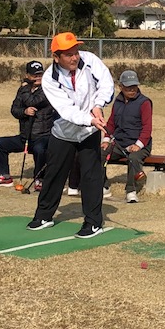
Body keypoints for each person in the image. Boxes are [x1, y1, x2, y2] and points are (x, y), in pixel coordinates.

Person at [27, 32, 114, 238]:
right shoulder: (49, 78)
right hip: (64, 130)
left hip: (88, 132)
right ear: (56, 57)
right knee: (55, 173)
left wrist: (98, 105)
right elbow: (66, 110)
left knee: (91, 175)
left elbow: (107, 84)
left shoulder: (90, 60)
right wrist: (90, 118)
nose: (75, 57)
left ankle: (93, 223)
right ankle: (44, 216)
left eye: (75, 51)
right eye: (68, 54)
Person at [0, 60, 55, 191]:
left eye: (41, 74)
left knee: (40, 150)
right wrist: (24, 111)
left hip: (42, 136)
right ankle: (5, 176)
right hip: (25, 136)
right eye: (35, 75)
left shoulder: (47, 90)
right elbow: (14, 109)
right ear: (28, 75)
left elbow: (32, 101)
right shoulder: (24, 90)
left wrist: (24, 88)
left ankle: (40, 179)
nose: (38, 78)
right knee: (0, 144)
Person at [101, 70, 153, 203]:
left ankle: (131, 190)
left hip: (140, 144)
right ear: (120, 87)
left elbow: (147, 128)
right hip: (119, 143)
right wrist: (106, 140)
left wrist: (138, 145)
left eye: (134, 86)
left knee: (134, 158)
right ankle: (103, 186)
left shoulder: (144, 103)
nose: (132, 90)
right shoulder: (117, 102)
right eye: (128, 87)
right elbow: (111, 123)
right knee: (99, 153)